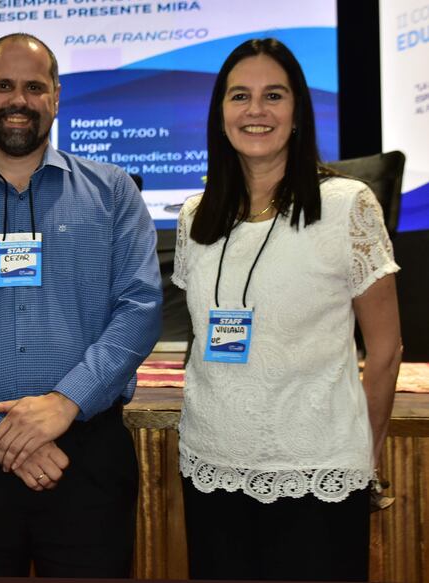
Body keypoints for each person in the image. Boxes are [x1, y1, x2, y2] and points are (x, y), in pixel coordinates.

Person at [0, 33, 162, 577]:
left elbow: (140, 307)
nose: (19, 100)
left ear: (57, 98)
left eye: (34, 87)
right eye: (3, 86)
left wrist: (66, 403)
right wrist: (1, 434)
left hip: (86, 459)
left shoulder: (114, 194)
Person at [172, 38, 402, 581]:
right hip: (212, 467)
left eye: (273, 95)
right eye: (239, 96)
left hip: (318, 474)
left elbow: (387, 349)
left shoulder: (347, 205)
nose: (256, 110)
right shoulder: (195, 217)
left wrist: (359, 459)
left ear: (297, 110)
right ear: (220, 113)